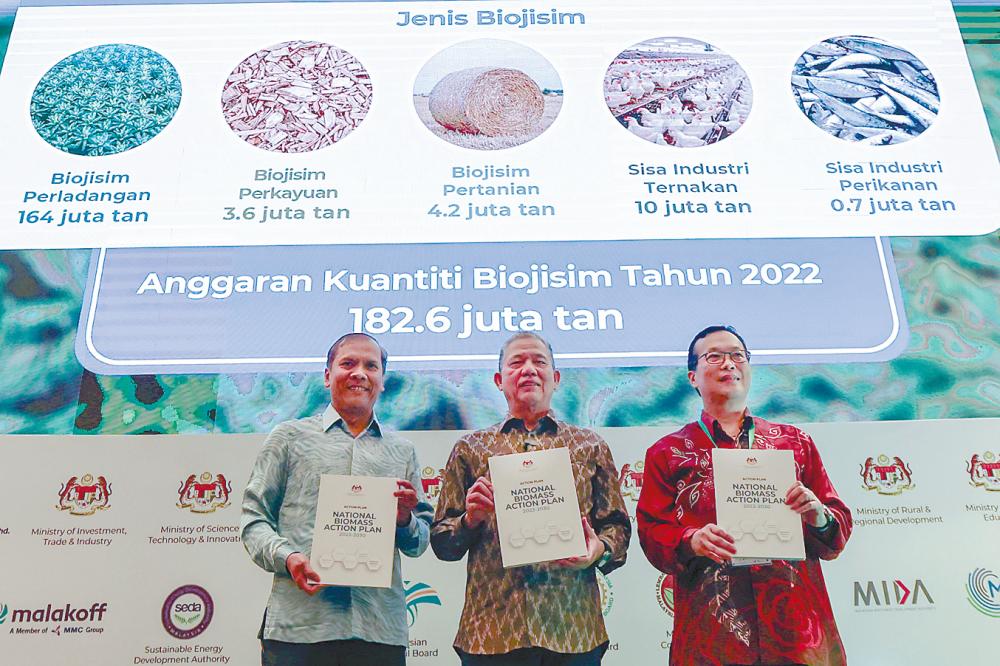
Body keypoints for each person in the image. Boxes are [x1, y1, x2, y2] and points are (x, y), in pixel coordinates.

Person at [637, 325, 852, 666]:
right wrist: (691, 540)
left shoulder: (794, 442)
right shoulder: (667, 452)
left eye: (738, 355)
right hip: (713, 636)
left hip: (797, 632)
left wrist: (818, 514)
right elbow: (652, 532)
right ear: (693, 377)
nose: (729, 363)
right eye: (715, 356)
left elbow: (837, 529)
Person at [431, 332, 631, 665]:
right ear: (498, 380)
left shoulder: (590, 446)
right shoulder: (470, 448)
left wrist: (599, 549)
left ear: (556, 378)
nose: (528, 369)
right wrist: (470, 520)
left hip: (574, 631)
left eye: (539, 362)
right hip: (491, 634)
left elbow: (618, 528)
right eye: (516, 362)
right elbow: (441, 543)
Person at [241, 333, 432, 666]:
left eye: (371, 366)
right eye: (348, 363)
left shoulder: (403, 452)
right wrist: (289, 558)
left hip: (379, 633)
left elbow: (419, 542)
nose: (359, 372)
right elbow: (253, 521)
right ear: (328, 375)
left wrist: (404, 520)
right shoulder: (288, 438)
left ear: (382, 381)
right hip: (298, 629)